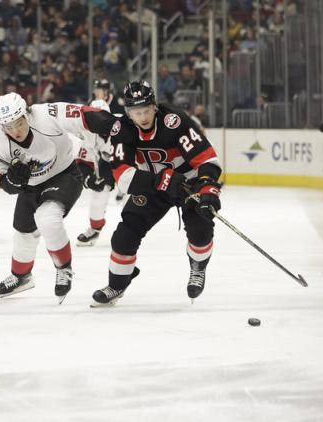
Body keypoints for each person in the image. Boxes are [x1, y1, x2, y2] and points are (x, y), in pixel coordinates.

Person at [80, 80, 222, 306]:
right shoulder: (122, 130)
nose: (143, 117)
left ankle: (198, 266)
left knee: (201, 230)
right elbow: (123, 177)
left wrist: (207, 188)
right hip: (154, 186)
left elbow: (206, 158)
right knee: (124, 235)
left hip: (188, 183)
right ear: (127, 112)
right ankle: (117, 285)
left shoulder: (174, 121)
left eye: (146, 110)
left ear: (155, 106)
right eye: (136, 112)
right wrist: (161, 180)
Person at [0, 92, 96, 304]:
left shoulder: (45, 117)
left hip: (64, 174)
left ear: (26, 115)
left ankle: (64, 269)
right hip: (31, 187)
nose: (15, 131)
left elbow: (77, 116)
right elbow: (4, 184)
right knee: (23, 232)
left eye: (18, 123)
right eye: (8, 127)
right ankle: (21, 277)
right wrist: (14, 180)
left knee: (48, 217)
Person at [74, 97, 114, 246]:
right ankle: (95, 229)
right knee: (98, 194)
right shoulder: (87, 136)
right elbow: (82, 164)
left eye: (102, 116)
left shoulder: (124, 128)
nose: (99, 121)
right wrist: (88, 179)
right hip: (106, 165)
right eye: (94, 117)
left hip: (129, 164)